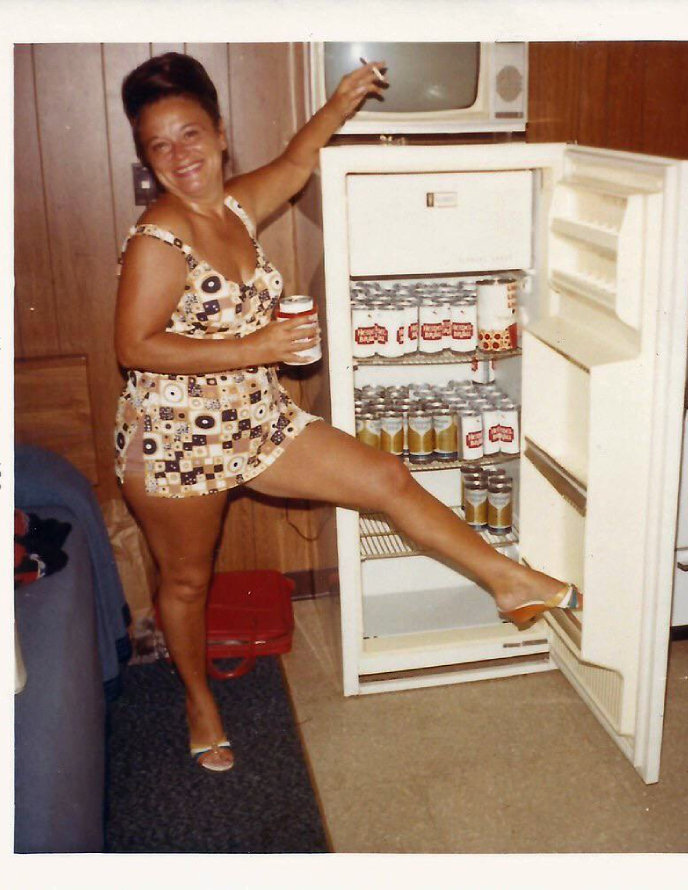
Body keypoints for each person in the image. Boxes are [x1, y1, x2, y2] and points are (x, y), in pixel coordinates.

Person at [114, 52, 579, 773]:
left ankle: (507, 582)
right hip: (177, 438)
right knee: (186, 580)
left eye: (191, 134)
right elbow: (135, 345)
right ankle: (198, 701)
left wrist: (341, 102)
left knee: (386, 477)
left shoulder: (234, 205)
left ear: (219, 132)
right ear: (147, 157)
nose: (180, 156)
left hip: (255, 418)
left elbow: (299, 163)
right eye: (159, 145)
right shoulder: (157, 238)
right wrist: (262, 342)